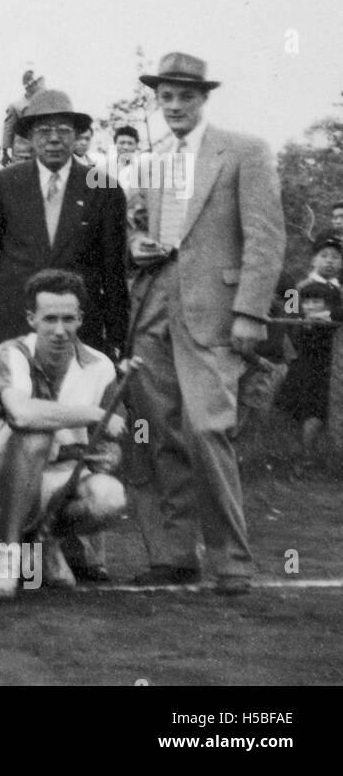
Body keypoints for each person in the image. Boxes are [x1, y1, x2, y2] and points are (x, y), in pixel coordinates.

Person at [126, 52, 285, 595]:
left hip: (216, 313)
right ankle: (173, 554)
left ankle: (231, 559)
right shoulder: (149, 161)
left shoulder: (244, 150)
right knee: (156, 432)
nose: (173, 105)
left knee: (208, 427)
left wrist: (249, 312)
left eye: (184, 96)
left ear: (204, 98)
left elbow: (266, 238)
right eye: (165, 96)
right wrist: (136, 244)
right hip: (151, 308)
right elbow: (135, 225)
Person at [0, 269, 128, 598]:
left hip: (63, 478)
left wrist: (109, 455)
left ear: (80, 319)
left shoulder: (102, 366)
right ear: (32, 318)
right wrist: (92, 414)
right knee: (35, 436)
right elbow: (22, 414)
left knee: (109, 497)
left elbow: (113, 437)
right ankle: (8, 552)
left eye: (68, 319)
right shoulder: (12, 353)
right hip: (4, 475)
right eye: (49, 319)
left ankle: (46, 541)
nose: (60, 330)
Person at [0, 89, 129, 358]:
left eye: (63, 130)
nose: (54, 139)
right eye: (44, 131)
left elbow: (114, 269)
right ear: (30, 137)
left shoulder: (103, 186)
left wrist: (117, 335)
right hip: (15, 317)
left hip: (79, 324)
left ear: (76, 135)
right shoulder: (1, 184)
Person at [274, 239, 342, 462]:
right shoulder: (299, 287)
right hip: (309, 355)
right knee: (309, 405)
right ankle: (303, 455)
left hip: (335, 356)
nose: (330, 261)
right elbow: (289, 316)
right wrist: (304, 322)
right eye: (324, 255)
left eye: (335, 257)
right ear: (313, 260)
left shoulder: (340, 289)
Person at [2, 69, 44, 163]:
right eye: (39, 83)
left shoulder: (46, 105)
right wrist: (5, 152)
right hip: (23, 155)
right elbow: (8, 129)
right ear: (31, 85)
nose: (43, 86)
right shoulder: (16, 106)